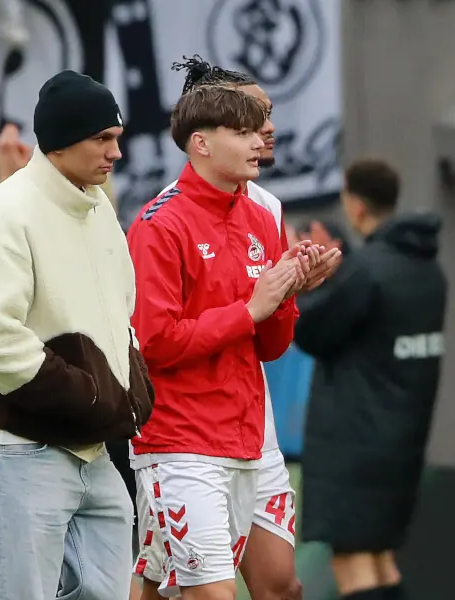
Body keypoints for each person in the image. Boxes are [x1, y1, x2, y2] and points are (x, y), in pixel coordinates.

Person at [129, 59, 341, 600]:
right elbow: (154, 343)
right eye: (243, 131)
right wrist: (251, 309)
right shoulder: (158, 224)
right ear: (200, 143)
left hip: (251, 440)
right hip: (180, 445)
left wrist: (288, 292)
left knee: (281, 587)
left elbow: (271, 346)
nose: (259, 141)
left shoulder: (262, 215)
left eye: (258, 128)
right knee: (210, 594)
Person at [0, 70, 155, 600]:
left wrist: (127, 383)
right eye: (102, 139)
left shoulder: (96, 205)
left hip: (93, 447)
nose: (116, 152)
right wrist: (88, 394)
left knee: (106, 592)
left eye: (116, 137)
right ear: (64, 141)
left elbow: (120, 313)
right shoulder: (7, 211)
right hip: (20, 449)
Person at [294, 160, 447, 600]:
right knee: (380, 559)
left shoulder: (368, 270)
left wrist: (308, 283)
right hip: (403, 441)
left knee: (354, 562)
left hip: (355, 442)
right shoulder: (427, 270)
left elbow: (311, 330)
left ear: (355, 205)